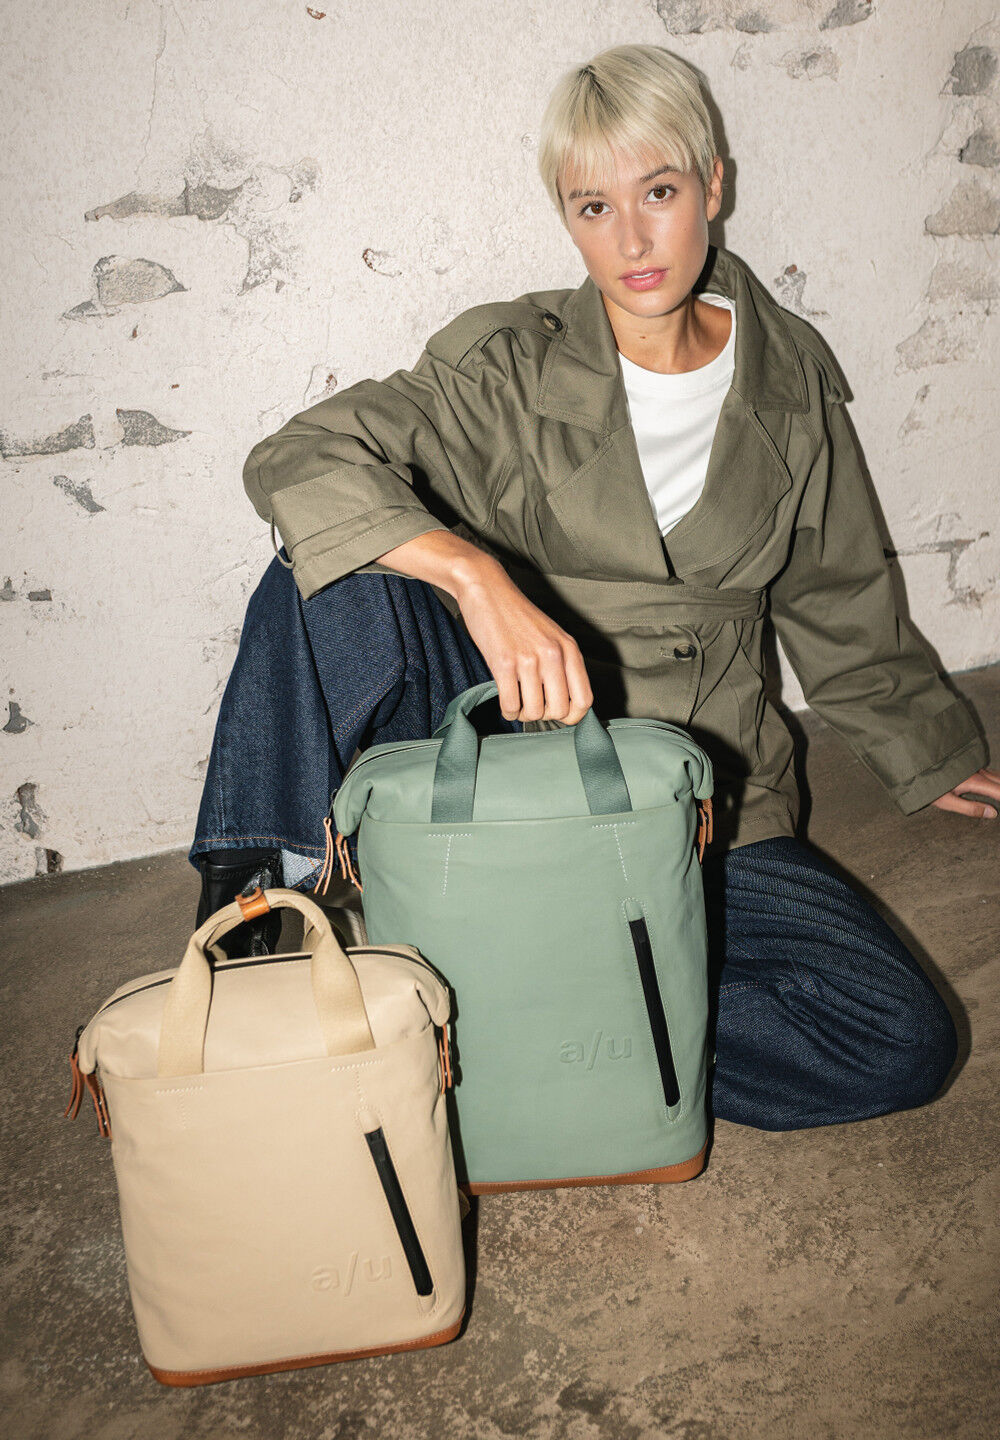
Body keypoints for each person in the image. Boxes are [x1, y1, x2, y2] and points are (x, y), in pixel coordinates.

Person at [190, 43, 998, 1131]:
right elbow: (298, 457)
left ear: (713, 184)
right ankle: (249, 908)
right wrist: (474, 574)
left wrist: (925, 748)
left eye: (658, 192)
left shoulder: (789, 379)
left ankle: (502, 1006)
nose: (631, 240)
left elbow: (837, 587)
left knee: (900, 1038)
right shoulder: (506, 364)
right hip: (502, 766)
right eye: (593, 206)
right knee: (326, 565)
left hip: (701, 792)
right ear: (566, 219)